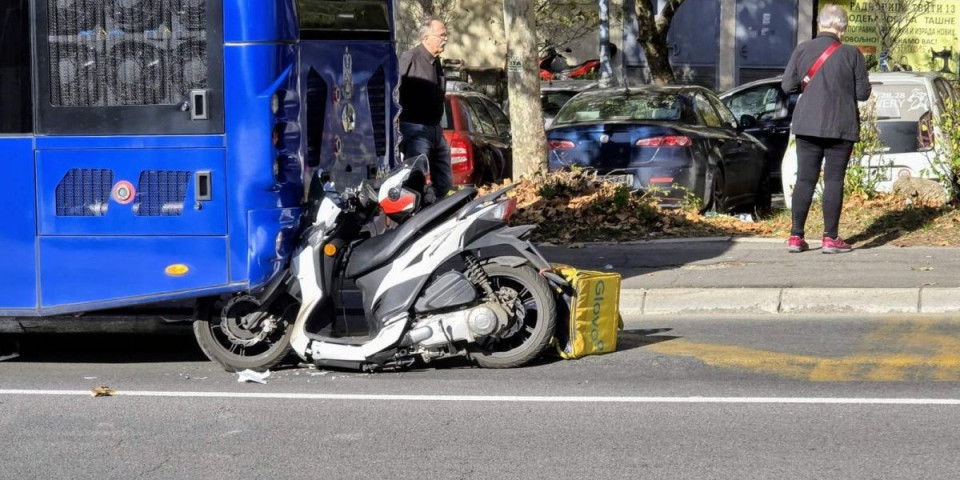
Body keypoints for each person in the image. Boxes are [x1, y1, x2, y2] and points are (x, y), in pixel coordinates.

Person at [781, 4, 871, 254]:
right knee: (833, 180)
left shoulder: (802, 49)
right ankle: (830, 238)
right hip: (841, 125)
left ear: (819, 24)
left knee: (805, 179)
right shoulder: (852, 54)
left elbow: (787, 86)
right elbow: (863, 93)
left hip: (808, 123)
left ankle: (796, 237)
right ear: (843, 28)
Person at [398, 16, 452, 198]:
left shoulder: (436, 62)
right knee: (415, 179)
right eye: (441, 35)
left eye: (445, 35)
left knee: (445, 181)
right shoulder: (410, 58)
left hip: (436, 129)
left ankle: (435, 206)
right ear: (426, 37)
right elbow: (394, 89)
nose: (445, 39)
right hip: (415, 130)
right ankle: (416, 210)